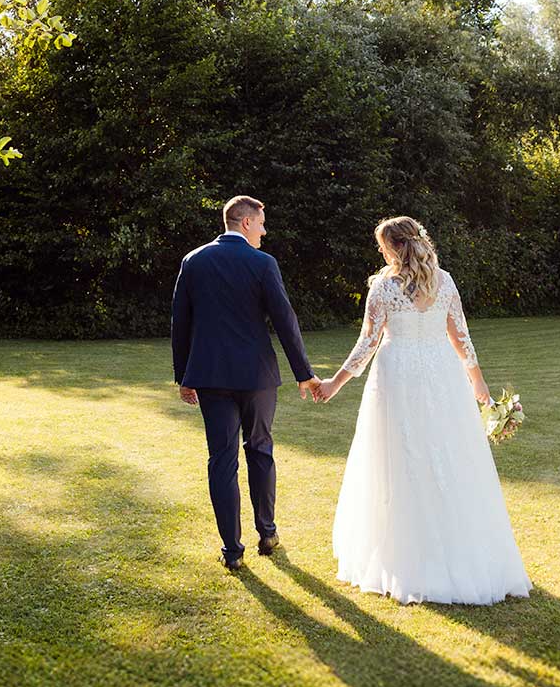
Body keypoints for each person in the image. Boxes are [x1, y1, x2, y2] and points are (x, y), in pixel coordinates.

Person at [313, 215, 531, 605]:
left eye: (382, 246)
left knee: (401, 457)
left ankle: (405, 557)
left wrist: (335, 383)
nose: (381, 253)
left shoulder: (384, 287)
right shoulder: (443, 281)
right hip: (442, 373)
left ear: (394, 247)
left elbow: (368, 343)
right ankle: (455, 551)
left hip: (398, 374)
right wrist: (477, 382)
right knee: (446, 454)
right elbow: (461, 338)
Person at [171, 195, 320, 569]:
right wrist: (304, 373)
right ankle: (267, 532)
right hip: (256, 377)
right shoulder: (262, 263)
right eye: (262, 224)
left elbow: (180, 323)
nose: (264, 232)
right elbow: (285, 320)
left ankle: (232, 551)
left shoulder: (193, 261)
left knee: (221, 459)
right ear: (246, 222)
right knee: (260, 449)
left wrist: (183, 375)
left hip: (209, 376)